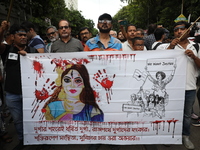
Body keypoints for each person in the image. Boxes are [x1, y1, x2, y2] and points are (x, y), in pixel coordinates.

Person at [84, 13, 121, 150]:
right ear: (97, 24)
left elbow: (123, 64)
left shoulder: (118, 44)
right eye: (101, 21)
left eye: (108, 21)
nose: (104, 23)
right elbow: (84, 63)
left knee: (112, 113)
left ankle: (112, 139)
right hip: (94, 86)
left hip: (112, 86)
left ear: (111, 24)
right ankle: (96, 139)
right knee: (96, 113)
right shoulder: (90, 43)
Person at [0, 21, 37, 150]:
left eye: (25, 35)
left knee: (34, 118)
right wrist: (2, 30)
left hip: (30, 94)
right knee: (17, 120)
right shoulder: (7, 50)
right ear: (13, 37)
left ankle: (37, 140)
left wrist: (28, 57)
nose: (23, 37)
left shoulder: (33, 51)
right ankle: (22, 140)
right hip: (12, 94)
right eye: (19, 34)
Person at [163, 21, 200, 149]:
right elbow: (160, 63)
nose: (179, 31)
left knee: (187, 115)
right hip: (171, 88)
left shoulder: (196, 46)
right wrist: (170, 48)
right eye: (176, 30)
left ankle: (186, 136)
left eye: (182, 29)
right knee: (170, 112)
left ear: (188, 31)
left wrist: (194, 57)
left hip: (189, 87)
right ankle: (170, 136)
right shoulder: (168, 46)